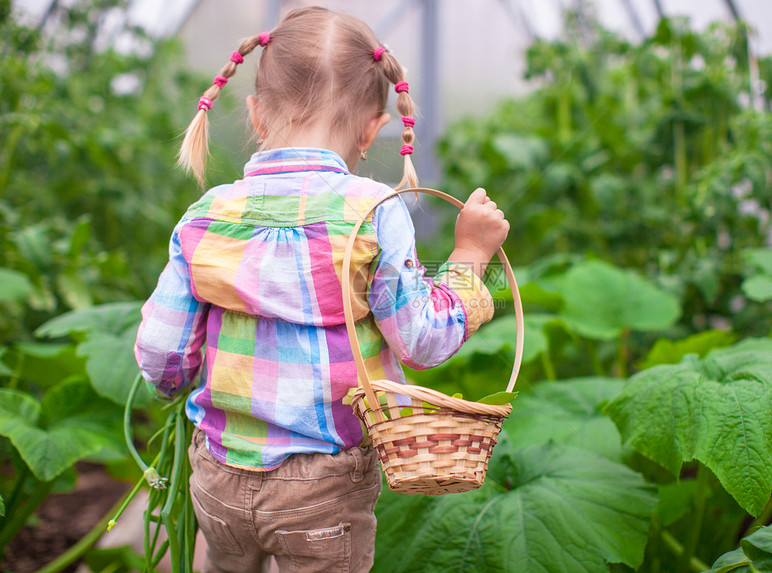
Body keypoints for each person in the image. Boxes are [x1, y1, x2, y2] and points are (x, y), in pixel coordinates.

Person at [134, 6, 509, 573]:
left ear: (256, 115)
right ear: (372, 128)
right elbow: (422, 343)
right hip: (324, 482)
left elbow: (161, 359)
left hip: (218, 477)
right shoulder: (373, 214)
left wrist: (193, 383)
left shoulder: (206, 215)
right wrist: (469, 257)